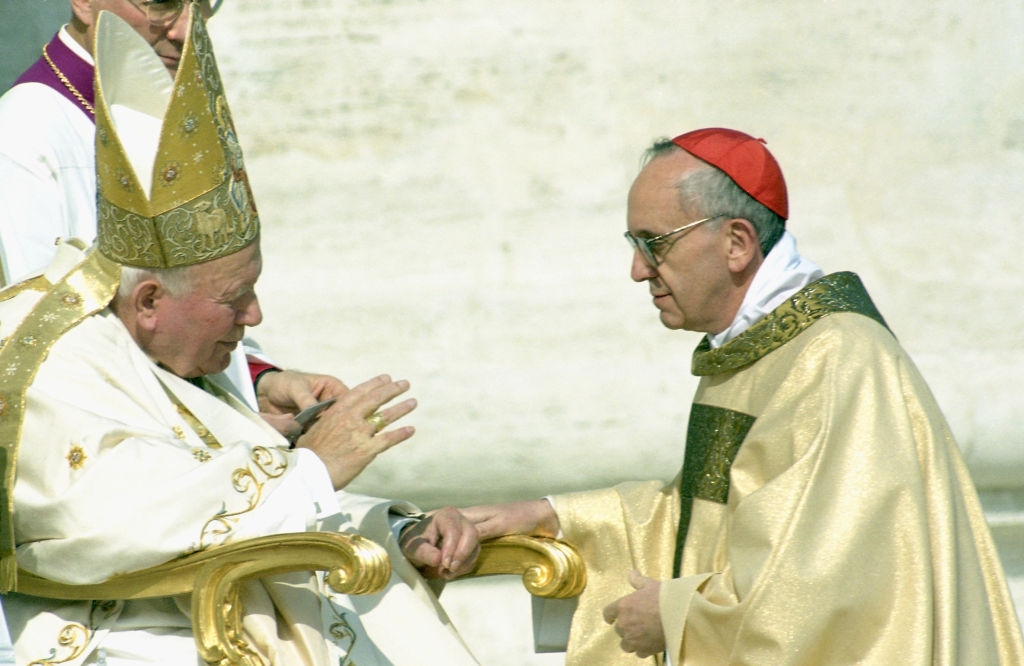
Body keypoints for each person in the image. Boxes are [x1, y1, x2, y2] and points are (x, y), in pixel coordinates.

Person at [0, 9, 480, 664]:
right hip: (139, 621)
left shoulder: (156, 343)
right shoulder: (55, 355)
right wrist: (309, 469)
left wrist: (398, 526)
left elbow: (202, 441)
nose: (187, 29)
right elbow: (116, 503)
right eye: (165, 1)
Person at [461, 128, 1024, 664]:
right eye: (634, 244)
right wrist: (549, 517)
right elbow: (705, 518)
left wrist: (679, 617)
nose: (638, 270)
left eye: (653, 244)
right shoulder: (762, 350)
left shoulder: (836, 359)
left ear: (736, 242)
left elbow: (831, 585)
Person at [0, 0, 330, 441]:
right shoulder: (25, 135)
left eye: (205, 3)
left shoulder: (154, 105)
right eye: (163, 3)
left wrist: (255, 382)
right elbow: (49, 358)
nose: (188, 28)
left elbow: (186, 294)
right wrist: (223, 426)